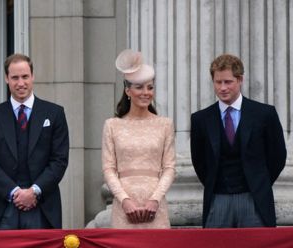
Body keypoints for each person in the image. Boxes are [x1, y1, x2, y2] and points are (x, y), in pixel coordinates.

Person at [190, 54, 287, 228]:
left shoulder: (264, 114)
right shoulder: (201, 119)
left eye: (228, 82)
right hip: (217, 199)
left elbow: (277, 156)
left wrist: (259, 182)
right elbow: (199, 162)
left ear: (240, 79)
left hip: (254, 199)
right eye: (218, 82)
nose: (222, 88)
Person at [0, 53, 69, 230]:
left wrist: (34, 191)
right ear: (6, 78)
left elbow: (59, 160)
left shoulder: (54, 113)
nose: (21, 83)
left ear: (33, 76)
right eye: (15, 78)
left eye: (25, 77)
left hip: (43, 207)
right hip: (4, 207)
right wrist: (15, 193)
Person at [102, 49, 176, 229]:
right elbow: (109, 168)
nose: (146, 93)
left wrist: (155, 199)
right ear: (128, 90)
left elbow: (169, 168)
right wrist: (124, 200)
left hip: (155, 206)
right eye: (139, 87)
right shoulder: (112, 125)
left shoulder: (165, 124)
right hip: (124, 206)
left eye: (150, 87)